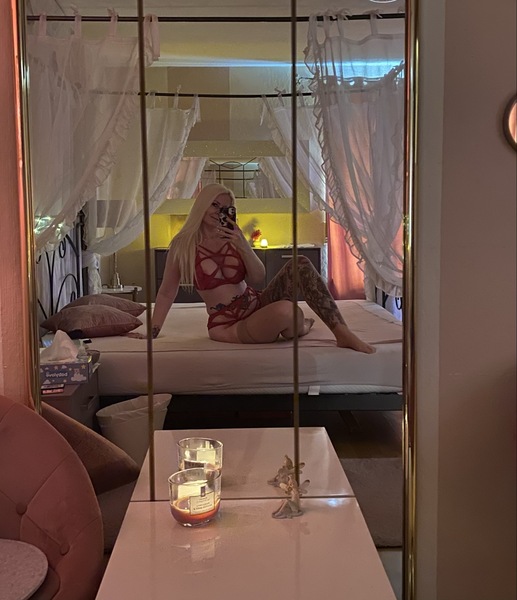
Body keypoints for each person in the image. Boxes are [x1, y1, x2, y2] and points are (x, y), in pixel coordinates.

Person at [151, 183, 375, 354]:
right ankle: (299, 326)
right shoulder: (183, 245)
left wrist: (242, 244)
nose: (218, 212)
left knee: (300, 264)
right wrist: (153, 330)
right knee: (287, 312)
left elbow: (258, 277)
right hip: (228, 324)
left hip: (257, 303)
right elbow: (166, 292)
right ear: (202, 205)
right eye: (214, 205)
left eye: (225, 208)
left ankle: (341, 332)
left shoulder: (234, 238)